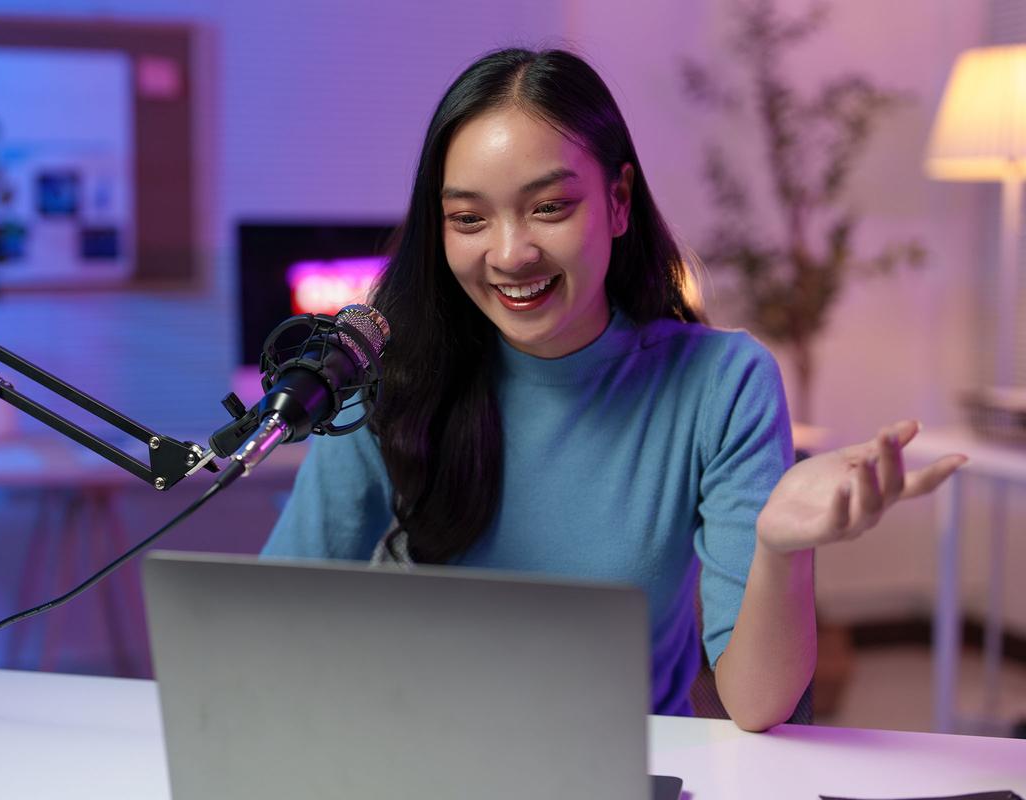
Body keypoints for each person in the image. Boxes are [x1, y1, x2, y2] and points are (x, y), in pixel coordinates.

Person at [261, 48, 965, 732]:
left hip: (622, 770)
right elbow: (274, 630)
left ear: (619, 201)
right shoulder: (386, 379)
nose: (510, 254)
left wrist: (782, 550)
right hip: (415, 756)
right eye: (469, 219)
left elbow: (756, 705)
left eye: (550, 207)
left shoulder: (721, 384)